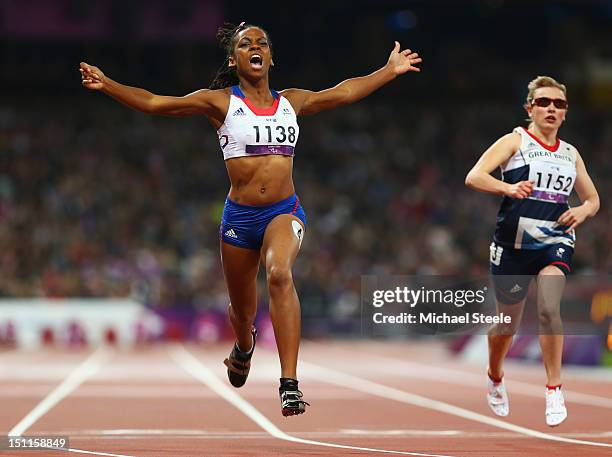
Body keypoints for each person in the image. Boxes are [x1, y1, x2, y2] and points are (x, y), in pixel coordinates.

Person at [80, 22, 422, 416]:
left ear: (270, 57)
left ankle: (289, 384)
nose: (255, 47)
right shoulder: (220, 103)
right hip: (239, 219)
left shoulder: (292, 101)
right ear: (234, 58)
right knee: (242, 312)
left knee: (279, 274)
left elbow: (343, 92)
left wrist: (387, 70)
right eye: (246, 44)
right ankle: (244, 345)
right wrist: (108, 85)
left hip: (284, 211)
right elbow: (157, 103)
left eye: (262, 43)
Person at [465, 76, 599, 426]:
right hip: (513, 247)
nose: (552, 108)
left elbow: (593, 198)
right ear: (530, 108)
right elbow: (475, 176)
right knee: (507, 325)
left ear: (565, 113)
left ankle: (554, 388)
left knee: (548, 309)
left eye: (559, 104)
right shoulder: (515, 141)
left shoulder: (570, 154)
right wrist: (508, 188)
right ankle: (495, 375)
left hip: (555, 240)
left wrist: (582, 212)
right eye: (544, 102)